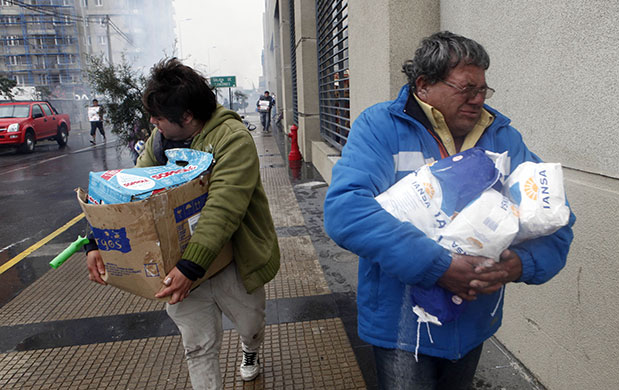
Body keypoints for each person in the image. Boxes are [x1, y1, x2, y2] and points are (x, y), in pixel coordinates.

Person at [323, 31, 575, 390]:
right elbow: (346, 211)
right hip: (402, 328)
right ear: (424, 85)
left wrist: (518, 265)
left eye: (483, 90)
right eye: (466, 89)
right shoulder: (381, 127)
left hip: (473, 324)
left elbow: (555, 219)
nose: (477, 101)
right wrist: (439, 266)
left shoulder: (503, 138)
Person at [85, 58, 280, 389]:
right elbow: (126, 188)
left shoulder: (231, 138)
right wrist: (96, 242)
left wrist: (192, 267)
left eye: (158, 117)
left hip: (232, 259)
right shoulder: (159, 142)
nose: (152, 122)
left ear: (186, 117)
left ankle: (250, 350)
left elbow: (225, 207)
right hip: (178, 266)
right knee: (198, 347)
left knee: (251, 325)